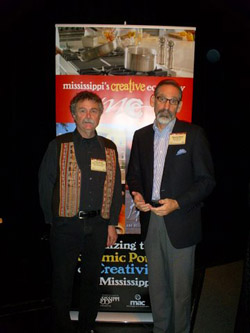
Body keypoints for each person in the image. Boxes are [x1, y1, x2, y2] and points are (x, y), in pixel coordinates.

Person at [126, 79, 215, 333]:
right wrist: (138, 194)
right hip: (151, 220)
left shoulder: (194, 134)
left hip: (182, 222)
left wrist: (177, 203)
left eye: (173, 100)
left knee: (180, 293)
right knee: (158, 288)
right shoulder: (141, 136)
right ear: (152, 100)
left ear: (179, 104)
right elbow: (134, 175)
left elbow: (207, 181)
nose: (166, 105)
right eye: (162, 98)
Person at [39, 91, 122, 333]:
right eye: (83, 111)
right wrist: (53, 221)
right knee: (62, 282)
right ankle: (62, 327)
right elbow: (45, 184)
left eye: (93, 110)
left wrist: (111, 223)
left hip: (98, 227)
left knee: (91, 282)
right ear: (74, 115)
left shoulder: (109, 147)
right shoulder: (58, 145)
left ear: (100, 115)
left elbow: (116, 187)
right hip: (66, 226)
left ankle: (87, 327)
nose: (88, 116)